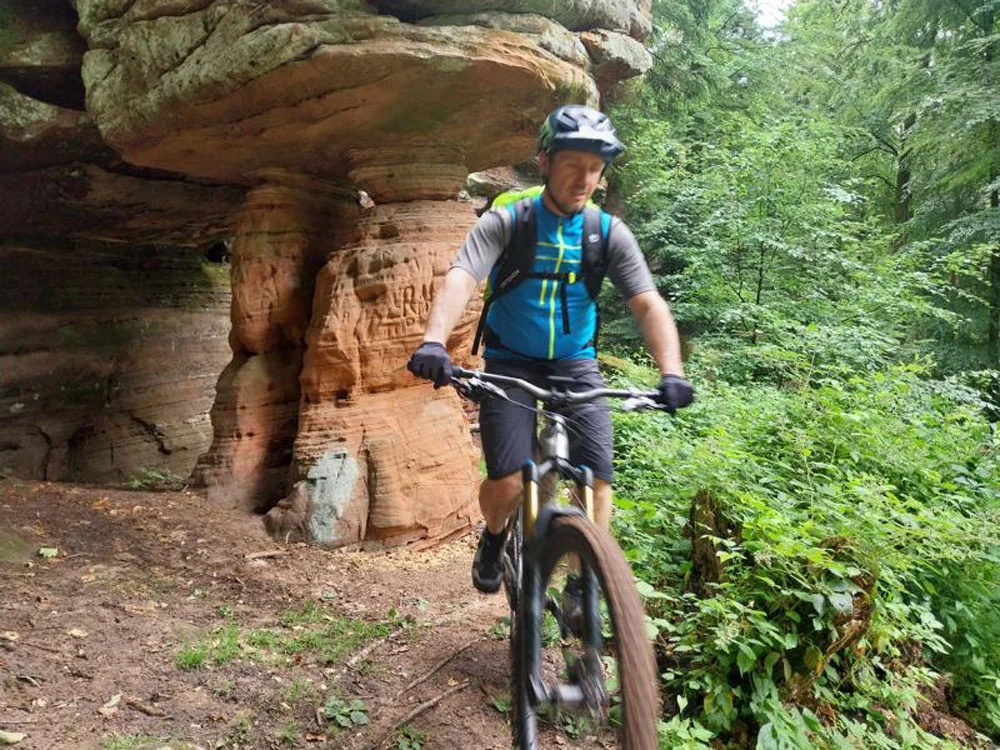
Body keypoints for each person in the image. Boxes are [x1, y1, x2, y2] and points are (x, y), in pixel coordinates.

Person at [408, 104, 694, 597]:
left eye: (594, 168)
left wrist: (671, 371)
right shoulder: (508, 222)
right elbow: (463, 278)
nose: (584, 179)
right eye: (572, 165)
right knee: (509, 482)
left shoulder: (607, 234)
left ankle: (586, 579)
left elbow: (647, 303)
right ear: (544, 162)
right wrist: (434, 340)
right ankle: (495, 537)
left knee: (596, 481)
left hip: (574, 362)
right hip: (510, 361)